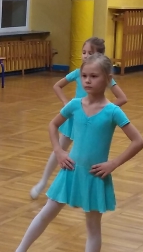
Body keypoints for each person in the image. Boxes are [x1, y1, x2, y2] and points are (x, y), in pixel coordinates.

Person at [8, 54, 143, 252]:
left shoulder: (112, 111)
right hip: (70, 171)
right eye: (84, 76)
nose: (87, 81)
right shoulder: (74, 105)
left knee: (93, 227)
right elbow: (53, 125)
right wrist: (59, 151)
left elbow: (138, 141)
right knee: (45, 214)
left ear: (107, 79)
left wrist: (113, 163)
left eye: (94, 76)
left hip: (94, 175)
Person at [30, 37, 127, 199]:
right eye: (84, 52)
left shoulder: (103, 76)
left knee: (85, 155)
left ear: (99, 56)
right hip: (74, 119)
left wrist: (103, 112)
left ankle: (83, 188)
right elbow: (57, 86)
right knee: (59, 150)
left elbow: (122, 98)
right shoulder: (78, 73)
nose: (86, 56)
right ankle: (43, 182)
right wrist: (66, 103)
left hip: (91, 122)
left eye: (90, 53)